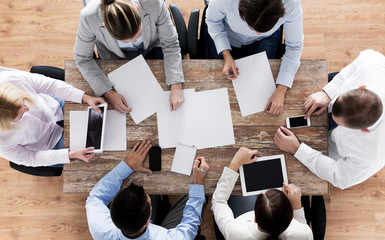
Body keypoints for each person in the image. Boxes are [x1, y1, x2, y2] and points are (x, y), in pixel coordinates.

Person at [274, 49, 385, 189]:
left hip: (334, 152)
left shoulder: (370, 156)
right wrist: (328, 93)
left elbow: (337, 176)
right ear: (361, 87)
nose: (330, 114)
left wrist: (297, 149)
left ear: (364, 130)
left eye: (340, 122)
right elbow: (353, 68)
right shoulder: (373, 64)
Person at [74, 0, 185, 113]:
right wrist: (108, 92)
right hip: (114, 55)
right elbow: (82, 59)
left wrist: (176, 84)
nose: (135, 41)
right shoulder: (89, 17)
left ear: (137, 10)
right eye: (125, 40)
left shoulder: (153, 3)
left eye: (138, 34)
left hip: (152, 46)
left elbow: (171, 44)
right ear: (106, 26)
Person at [86, 140, 209, 240]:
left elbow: (95, 198)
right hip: (165, 231)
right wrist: (198, 182)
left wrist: (127, 165)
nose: (146, 196)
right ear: (147, 221)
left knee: (149, 181)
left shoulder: (100, 228)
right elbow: (190, 226)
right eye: (148, 201)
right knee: (201, 195)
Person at [205, 0, 304, 115]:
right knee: (215, 89)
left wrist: (281, 90)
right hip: (226, 33)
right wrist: (226, 54)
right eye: (252, 28)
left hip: (265, 39)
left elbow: (294, 47)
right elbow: (213, 21)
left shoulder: (291, 3)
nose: (257, 33)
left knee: (260, 93)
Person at [0, 69, 104, 167]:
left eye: (23, 101)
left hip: (54, 107)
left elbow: (50, 85)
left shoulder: (9, 79)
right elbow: (30, 158)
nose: (27, 109)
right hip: (50, 145)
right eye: (21, 114)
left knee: (105, 116)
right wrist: (69, 155)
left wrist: (85, 97)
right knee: (100, 156)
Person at [211, 147, 313, 239]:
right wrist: (296, 204)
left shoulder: (235, 232)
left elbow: (218, 201)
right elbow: (300, 227)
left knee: (240, 194)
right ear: (292, 216)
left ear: (255, 219)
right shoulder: (304, 233)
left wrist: (235, 163)